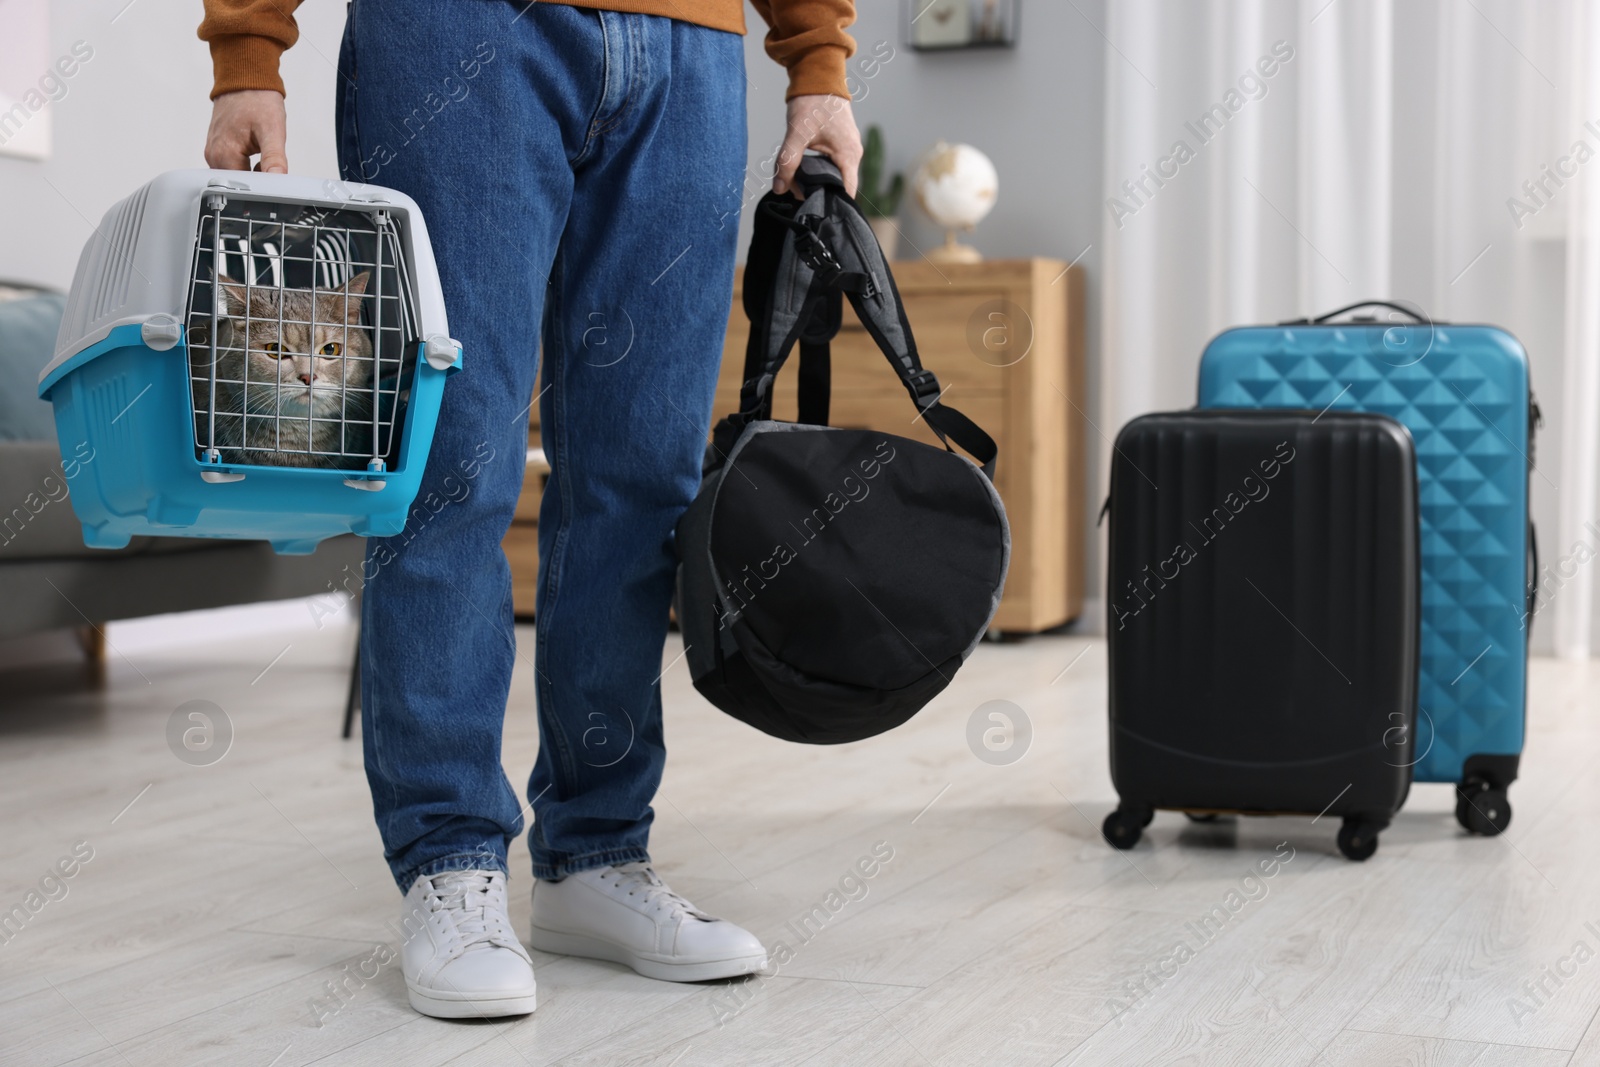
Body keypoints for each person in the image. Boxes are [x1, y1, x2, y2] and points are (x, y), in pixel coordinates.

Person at [199, 0, 862, 1020]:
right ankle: (448, 857)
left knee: (645, 477)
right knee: (450, 457)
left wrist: (817, 54)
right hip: (456, 28)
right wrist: (249, 43)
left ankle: (597, 850)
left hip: (690, 47)